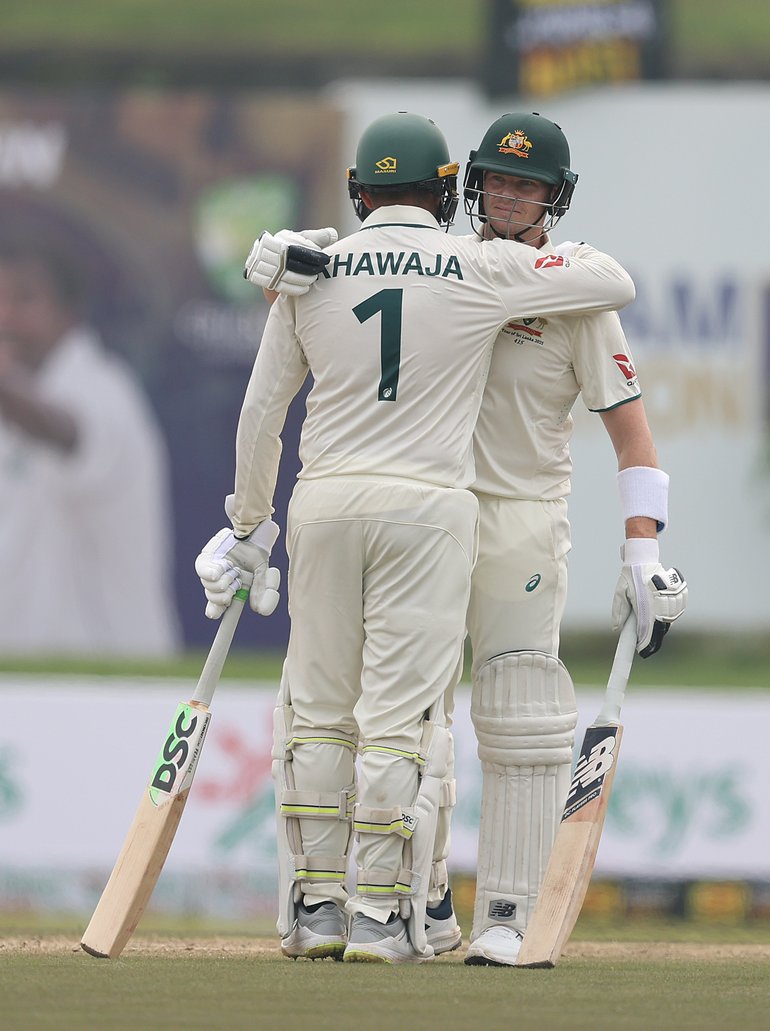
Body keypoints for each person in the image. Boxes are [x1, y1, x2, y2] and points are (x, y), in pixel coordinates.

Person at [244, 111, 687, 966]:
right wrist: (288, 261)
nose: (511, 197)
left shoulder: (574, 294)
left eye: (528, 184)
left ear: (554, 195)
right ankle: (422, 901)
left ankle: (513, 909)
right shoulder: (452, 270)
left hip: (518, 516)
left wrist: (644, 552)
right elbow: (342, 314)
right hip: (427, 513)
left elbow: (634, 440)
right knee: (411, 717)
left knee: (518, 711)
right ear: (467, 183)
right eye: (499, 180)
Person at [0, 238, 180, 656]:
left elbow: (66, 432)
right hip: (27, 680)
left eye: (24, 299)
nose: (5, 316)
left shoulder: (104, 390)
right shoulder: (17, 396)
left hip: (110, 675)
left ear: (68, 311)